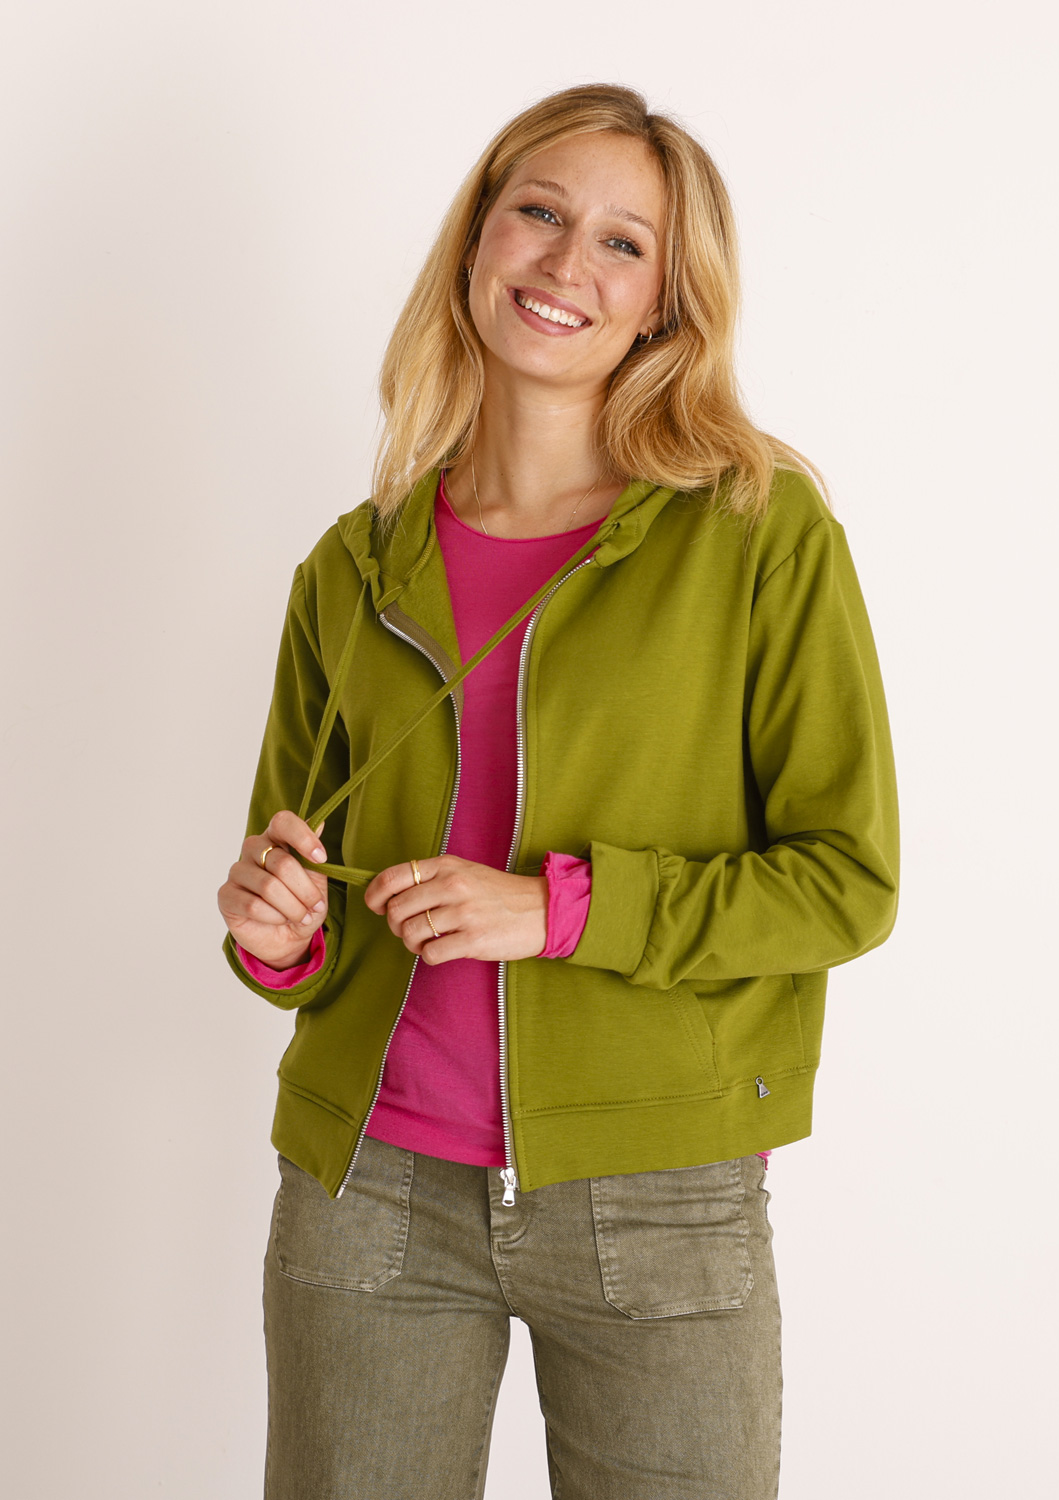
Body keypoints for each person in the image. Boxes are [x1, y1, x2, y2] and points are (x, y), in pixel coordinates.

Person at [216, 83, 898, 1500]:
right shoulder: (353, 566)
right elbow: (298, 910)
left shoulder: (757, 533)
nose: (565, 262)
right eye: (537, 211)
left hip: (661, 1197)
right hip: (369, 1192)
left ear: (663, 304)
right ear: (477, 238)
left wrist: (559, 911)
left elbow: (846, 881)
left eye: (622, 243)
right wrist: (276, 934)